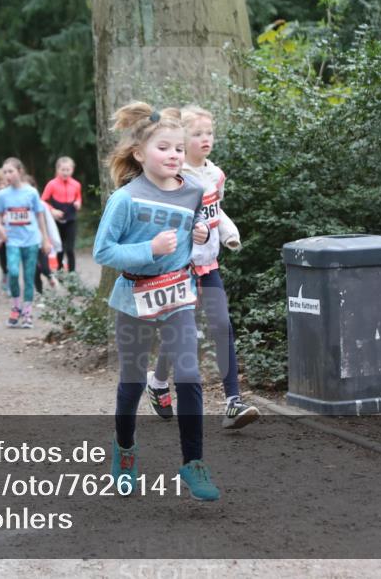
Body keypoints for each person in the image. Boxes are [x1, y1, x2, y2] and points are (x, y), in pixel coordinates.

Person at [92, 101, 218, 501]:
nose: (174, 155)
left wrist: (199, 233)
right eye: (163, 148)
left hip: (177, 294)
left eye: (178, 148)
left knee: (189, 375)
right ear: (139, 153)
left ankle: (193, 463)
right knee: (131, 382)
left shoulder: (193, 191)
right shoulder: (125, 199)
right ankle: (125, 450)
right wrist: (148, 248)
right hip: (135, 298)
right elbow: (103, 251)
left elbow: (194, 226)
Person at [147, 106, 260, 430]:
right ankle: (158, 382)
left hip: (208, 265)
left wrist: (228, 233)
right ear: (182, 138)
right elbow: (162, 218)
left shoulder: (215, 175)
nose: (205, 138)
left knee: (222, 325)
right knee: (181, 333)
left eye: (208, 133)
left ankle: (233, 402)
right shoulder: (174, 177)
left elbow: (216, 210)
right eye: (197, 134)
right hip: (178, 267)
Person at [0, 158, 52, 329]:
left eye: (10, 171)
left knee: (28, 276)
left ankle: (27, 312)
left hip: (31, 241)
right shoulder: (3, 195)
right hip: (12, 241)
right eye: (5, 172)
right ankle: (15, 307)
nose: (7, 175)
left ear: (20, 171)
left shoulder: (31, 192)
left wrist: (45, 239)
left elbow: (40, 215)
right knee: (12, 272)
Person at [41, 156, 82, 273]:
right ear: (57, 170)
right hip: (57, 220)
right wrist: (52, 210)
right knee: (59, 247)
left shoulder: (76, 184)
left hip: (71, 219)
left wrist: (78, 203)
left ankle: (72, 273)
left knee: (70, 249)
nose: (65, 172)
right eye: (62, 169)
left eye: (68, 169)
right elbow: (42, 201)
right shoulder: (51, 184)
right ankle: (59, 270)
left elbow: (78, 197)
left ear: (72, 170)